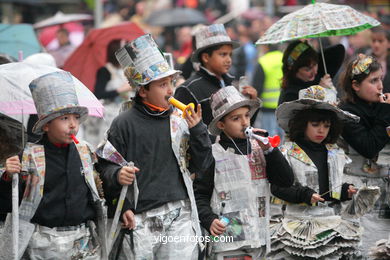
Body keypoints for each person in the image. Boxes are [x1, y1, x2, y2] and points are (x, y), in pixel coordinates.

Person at [96, 34, 213, 259]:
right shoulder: (123, 123)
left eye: (171, 83)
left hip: (179, 212)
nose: (170, 91)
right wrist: (118, 175)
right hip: (140, 218)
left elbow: (204, 164)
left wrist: (198, 129)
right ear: (143, 91)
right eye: (162, 85)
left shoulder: (180, 120)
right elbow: (105, 166)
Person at [0, 71, 106, 259]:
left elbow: (101, 186)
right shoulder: (28, 156)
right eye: (64, 119)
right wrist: (8, 177)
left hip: (82, 241)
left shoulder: (86, 152)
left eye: (75, 117)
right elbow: (8, 203)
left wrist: (119, 175)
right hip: (42, 244)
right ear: (46, 125)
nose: (73, 125)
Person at [193, 86, 294, 259]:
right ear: (221, 124)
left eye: (247, 115)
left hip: (260, 238)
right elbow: (200, 194)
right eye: (236, 118)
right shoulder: (214, 153)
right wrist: (209, 219)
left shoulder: (259, 148)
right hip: (229, 242)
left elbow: (285, 180)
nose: (245, 122)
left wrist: (270, 151)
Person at [269, 85, 361, 259]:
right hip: (295, 225)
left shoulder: (335, 152)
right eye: (315, 124)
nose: (321, 130)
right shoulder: (287, 152)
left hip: (331, 224)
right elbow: (277, 188)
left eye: (326, 126)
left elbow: (332, 189)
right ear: (302, 124)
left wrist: (345, 191)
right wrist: (304, 195)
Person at [338, 54, 390, 257]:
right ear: (356, 85)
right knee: (364, 249)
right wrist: (385, 114)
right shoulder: (347, 112)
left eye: (381, 79)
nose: (380, 86)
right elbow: (369, 146)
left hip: (386, 195)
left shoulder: (381, 106)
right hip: (360, 192)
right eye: (373, 81)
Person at [174, 24, 258, 128]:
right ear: (205, 57)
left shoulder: (230, 85)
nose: (229, 60)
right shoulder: (188, 89)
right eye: (223, 54)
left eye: (230, 55)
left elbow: (242, 129)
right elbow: (179, 130)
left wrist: (252, 103)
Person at [83, 39, 133, 148]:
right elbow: (98, 94)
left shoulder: (128, 70)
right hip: (110, 115)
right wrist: (120, 90)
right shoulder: (105, 71)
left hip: (127, 111)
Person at [278, 40, 345, 105]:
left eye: (315, 65)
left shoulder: (318, 77)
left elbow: (338, 50)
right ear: (294, 70)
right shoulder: (289, 95)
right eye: (307, 69)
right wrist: (319, 91)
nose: (314, 71)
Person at [251, 44, 284, 137]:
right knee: (283, 138)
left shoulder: (263, 61)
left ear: (266, 47)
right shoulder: (285, 58)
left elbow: (257, 88)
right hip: (283, 106)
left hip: (268, 108)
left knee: (270, 138)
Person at [367, 26, 390, 93]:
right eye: (374, 41)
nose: (376, 45)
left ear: (388, 43)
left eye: (380, 41)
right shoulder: (364, 62)